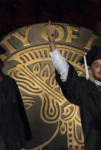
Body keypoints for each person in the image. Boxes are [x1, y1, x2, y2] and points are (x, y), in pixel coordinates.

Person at [47, 20, 101, 150]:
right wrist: (52, 44)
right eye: (96, 65)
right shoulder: (86, 88)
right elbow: (65, 72)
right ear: (91, 70)